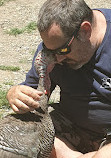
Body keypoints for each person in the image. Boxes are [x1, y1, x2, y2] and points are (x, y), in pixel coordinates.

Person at [7, 0, 111, 157]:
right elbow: (33, 95)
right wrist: (15, 93)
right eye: (49, 49)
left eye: (63, 50)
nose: (57, 59)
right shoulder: (53, 49)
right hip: (69, 132)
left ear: (85, 30)